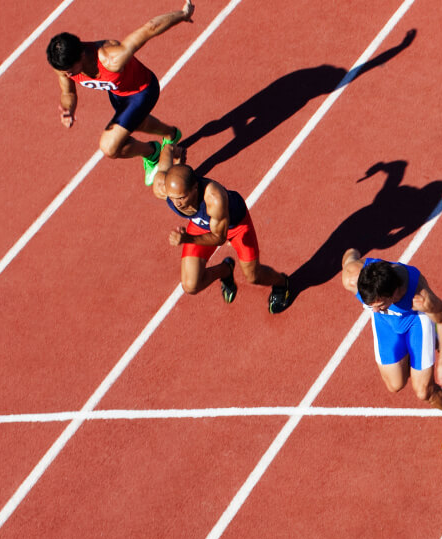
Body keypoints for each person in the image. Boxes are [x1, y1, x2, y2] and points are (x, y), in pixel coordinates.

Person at [47, 2, 195, 185]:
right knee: (136, 123)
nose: (68, 75)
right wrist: (69, 109)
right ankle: (171, 134)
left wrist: (183, 15)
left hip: (142, 91)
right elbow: (68, 93)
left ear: (82, 56)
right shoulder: (63, 67)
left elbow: (150, 29)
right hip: (118, 95)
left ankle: (152, 153)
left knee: (110, 147)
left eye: (70, 71)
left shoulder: (111, 58)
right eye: (64, 71)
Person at [340, 250, 442, 453]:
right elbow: (350, 256)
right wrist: (352, 251)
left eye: (379, 305)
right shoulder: (351, 278)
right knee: (395, 384)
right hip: (387, 323)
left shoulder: (420, 298)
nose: (373, 310)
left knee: (424, 391)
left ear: (393, 293)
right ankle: (432, 343)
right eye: (370, 305)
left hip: (415, 321)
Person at [152, 162, 292, 313]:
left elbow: (219, 238)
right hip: (201, 225)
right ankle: (226, 270)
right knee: (190, 285)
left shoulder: (214, 198)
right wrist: (170, 143)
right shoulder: (162, 189)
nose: (177, 203)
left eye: (182, 197)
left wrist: (187, 239)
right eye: (172, 198)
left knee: (254, 276)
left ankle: (281, 283)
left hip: (235, 226)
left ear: (195, 188)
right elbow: (166, 154)